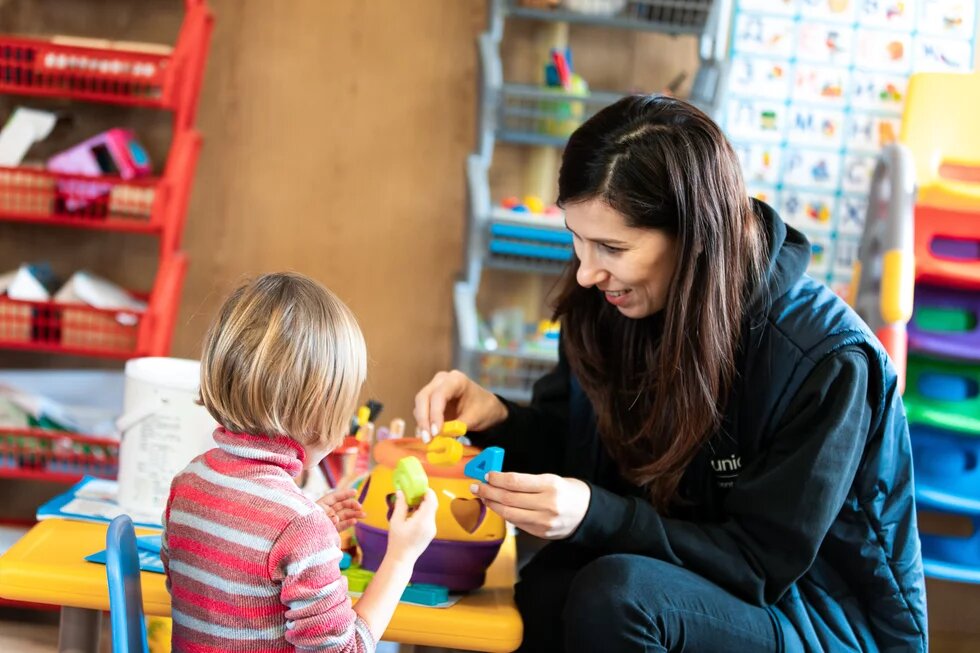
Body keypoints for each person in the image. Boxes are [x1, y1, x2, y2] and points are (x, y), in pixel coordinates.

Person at [415, 96, 927, 652]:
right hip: (687, 579)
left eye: (612, 247)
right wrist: (499, 421)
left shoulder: (825, 361)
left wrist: (598, 514)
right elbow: (578, 462)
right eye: (576, 237)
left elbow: (757, 565)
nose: (587, 272)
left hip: (812, 613)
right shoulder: (611, 301)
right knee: (548, 588)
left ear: (697, 238)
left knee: (619, 597)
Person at [162, 272, 438, 652]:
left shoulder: (189, 482)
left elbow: (211, 591)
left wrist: (302, 534)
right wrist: (402, 557)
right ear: (317, 412)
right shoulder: (299, 527)